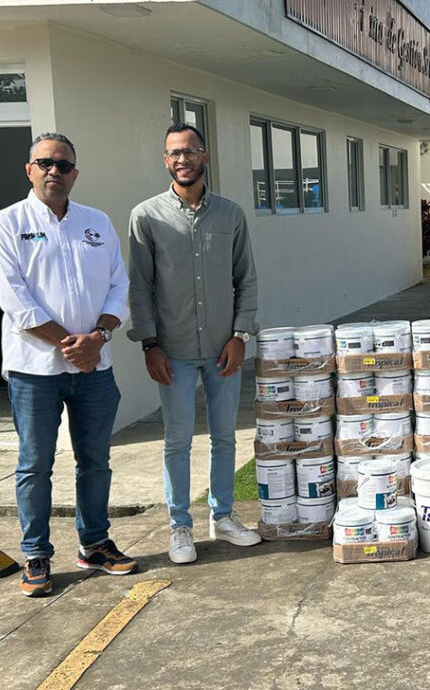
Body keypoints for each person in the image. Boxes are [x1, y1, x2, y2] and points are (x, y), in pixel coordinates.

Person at [0, 133, 138, 597]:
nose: (55, 171)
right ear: (28, 169)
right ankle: (36, 553)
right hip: (35, 371)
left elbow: (119, 287)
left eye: (64, 164)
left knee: (95, 461)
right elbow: (15, 301)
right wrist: (71, 344)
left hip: (95, 367)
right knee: (35, 464)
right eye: (45, 163)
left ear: (75, 172)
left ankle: (94, 543)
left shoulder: (97, 223)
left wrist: (98, 338)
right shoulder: (6, 224)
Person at [128, 123, 260, 564]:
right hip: (174, 351)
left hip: (224, 348)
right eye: (173, 153)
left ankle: (222, 516)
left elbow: (246, 279)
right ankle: (179, 526)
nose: (181, 159)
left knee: (225, 437)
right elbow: (139, 286)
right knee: (177, 440)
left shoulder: (230, 214)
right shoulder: (146, 216)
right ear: (165, 161)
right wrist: (150, 343)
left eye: (189, 151)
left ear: (204, 157)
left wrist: (241, 336)